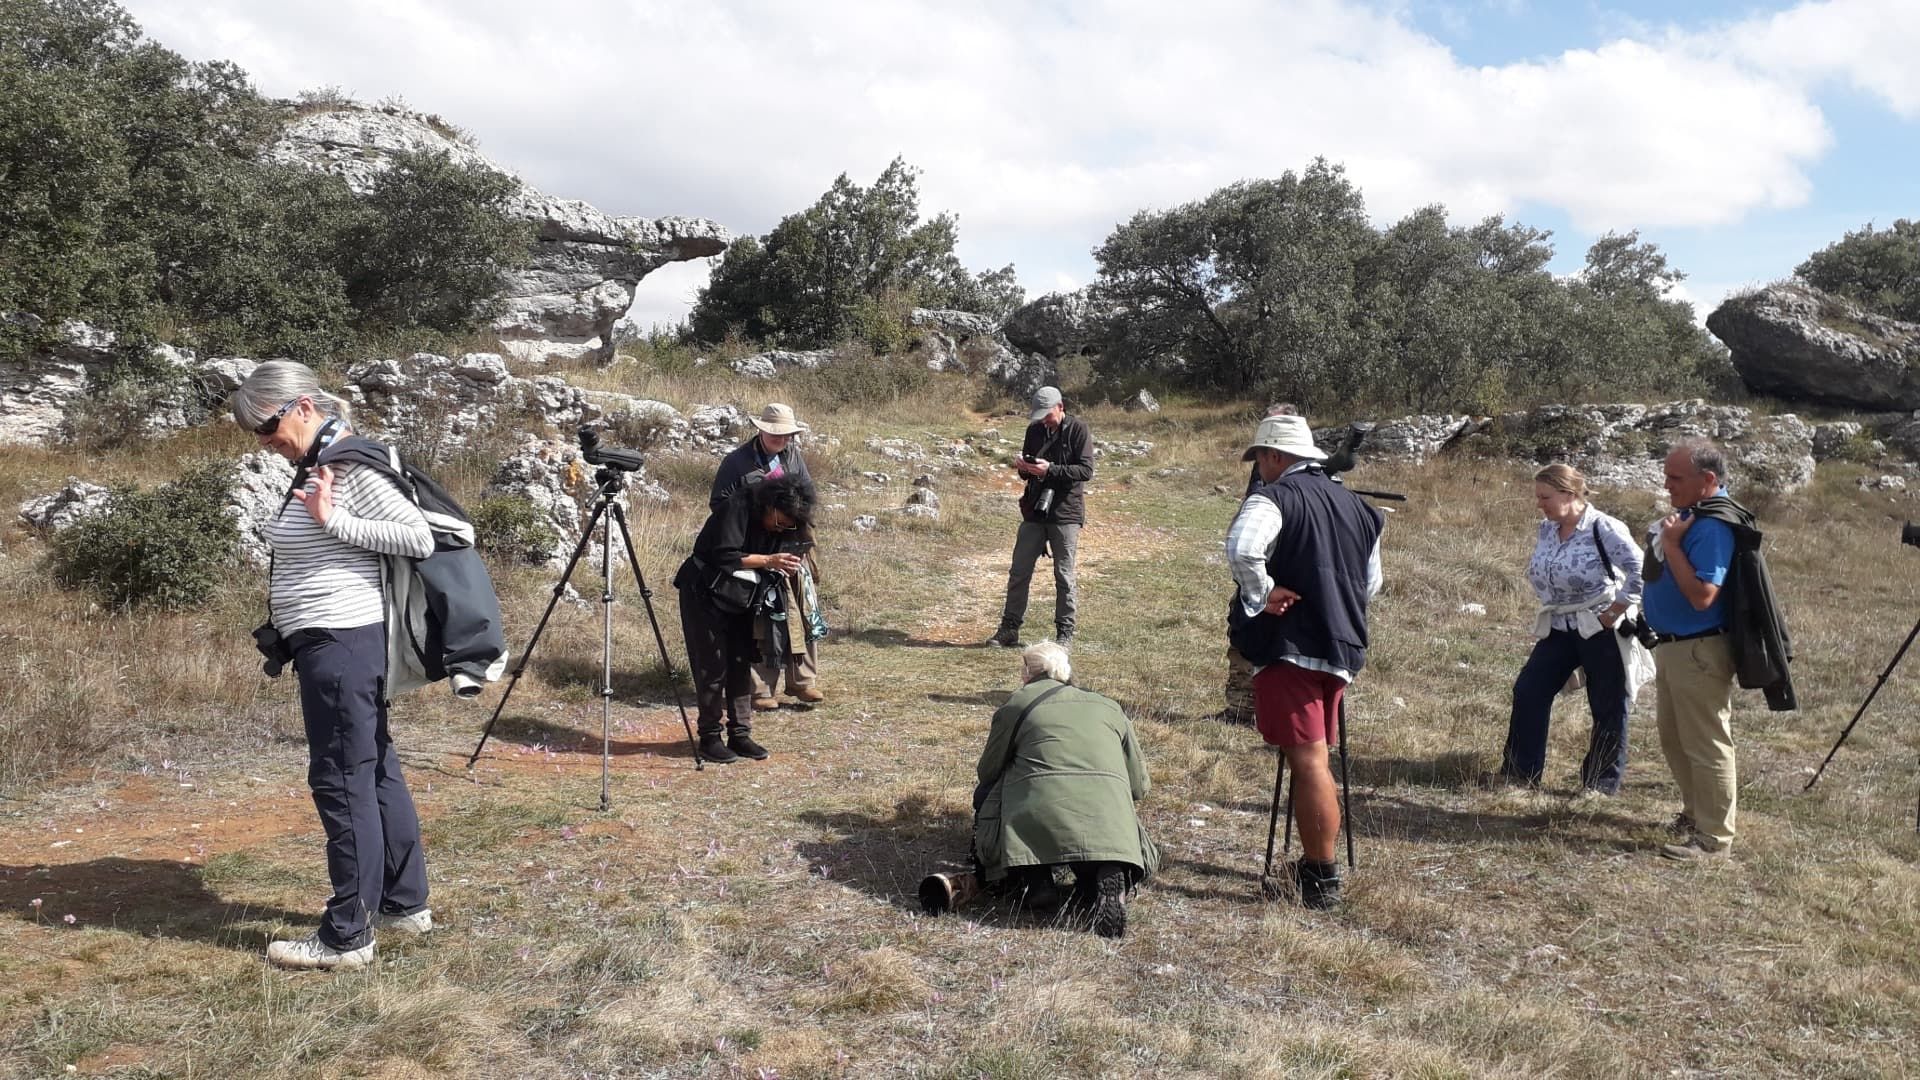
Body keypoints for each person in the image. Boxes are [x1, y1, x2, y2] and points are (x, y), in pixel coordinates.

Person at [233, 361, 436, 971]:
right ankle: (404, 905)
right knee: (373, 771)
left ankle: (348, 935)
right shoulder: (321, 463)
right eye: (254, 432)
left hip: (341, 644)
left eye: (266, 424)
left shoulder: (346, 462)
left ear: (301, 406)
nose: (264, 438)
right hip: (338, 644)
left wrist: (331, 519)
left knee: (342, 781)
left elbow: (417, 537)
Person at [1225, 414, 1383, 909]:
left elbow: (1242, 548)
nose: (1260, 469)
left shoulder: (1274, 497)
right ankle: (1318, 867)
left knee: (1309, 759)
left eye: (1261, 460)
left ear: (1274, 457)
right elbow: (1370, 584)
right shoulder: (1360, 508)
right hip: (1342, 646)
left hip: (1291, 644)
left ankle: (1320, 877)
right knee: (1315, 756)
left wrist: (1264, 594)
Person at [970, 643, 1158, 938]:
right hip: (1107, 819)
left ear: (1026, 673)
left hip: (1039, 815)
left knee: (1007, 781)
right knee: (1097, 829)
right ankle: (1104, 871)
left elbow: (988, 772)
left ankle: (1037, 878)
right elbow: (1139, 786)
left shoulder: (1017, 704)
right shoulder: (1108, 705)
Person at [1494, 464, 1648, 795]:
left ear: (1569, 494)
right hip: (1560, 626)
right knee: (1529, 690)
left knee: (1607, 704)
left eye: (1545, 497)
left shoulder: (1604, 527)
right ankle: (1520, 773)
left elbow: (1641, 568)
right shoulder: (1547, 529)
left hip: (1600, 628)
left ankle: (1600, 785)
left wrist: (1616, 609)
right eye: (1538, 497)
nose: (1539, 504)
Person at [673, 473, 817, 764]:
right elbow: (725, 555)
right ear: (770, 505)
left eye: (788, 526)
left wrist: (786, 562)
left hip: (742, 595)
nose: (780, 529)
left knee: (741, 661)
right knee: (711, 665)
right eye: (779, 522)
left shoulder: (786, 521)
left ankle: (740, 733)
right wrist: (768, 561)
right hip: (704, 591)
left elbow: (779, 549)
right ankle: (710, 737)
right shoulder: (736, 507)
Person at [1644, 438, 1740, 861]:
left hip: (1698, 650)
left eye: (1675, 478)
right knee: (1674, 738)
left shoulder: (1713, 525)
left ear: (1708, 480)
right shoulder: (1690, 516)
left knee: (1705, 743)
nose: (1667, 485)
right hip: (1673, 647)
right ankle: (1695, 814)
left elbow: (1703, 595)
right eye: (1666, 476)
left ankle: (1714, 840)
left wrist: (1673, 546)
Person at [710, 403, 824, 710]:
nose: (781, 439)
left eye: (787, 435)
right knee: (761, 612)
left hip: (789, 542)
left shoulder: (793, 457)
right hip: (750, 545)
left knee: (802, 606)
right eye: (776, 433)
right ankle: (759, 688)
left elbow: (807, 499)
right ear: (760, 430)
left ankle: (803, 681)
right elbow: (719, 506)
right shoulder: (736, 462)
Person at [990, 386, 1094, 649]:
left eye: (1047, 414)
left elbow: (1085, 470)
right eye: (1040, 416)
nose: (1044, 420)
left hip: (1065, 512)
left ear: (1060, 407)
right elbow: (1028, 472)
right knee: (1019, 571)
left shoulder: (1078, 430)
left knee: (1064, 575)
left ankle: (1064, 634)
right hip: (1036, 509)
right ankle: (1009, 629)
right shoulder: (1034, 431)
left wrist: (1052, 470)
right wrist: (1025, 469)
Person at [1220, 403, 1301, 724]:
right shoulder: (1263, 465)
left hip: (1285, 565)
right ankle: (1240, 708)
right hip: (1258, 563)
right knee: (1242, 627)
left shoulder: (1304, 469)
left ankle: (1277, 712)